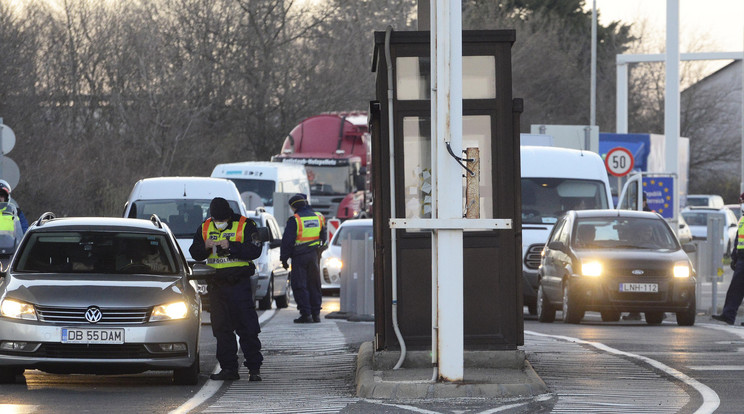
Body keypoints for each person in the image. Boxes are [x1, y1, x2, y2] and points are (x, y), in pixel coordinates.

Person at [189, 197, 264, 380]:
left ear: (229, 216)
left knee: (247, 327)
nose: (219, 223)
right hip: (217, 286)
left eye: (222, 220)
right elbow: (194, 252)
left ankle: (254, 368)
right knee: (221, 329)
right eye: (216, 220)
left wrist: (232, 246)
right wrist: (205, 247)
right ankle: (229, 369)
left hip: (239, 284)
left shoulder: (246, 225)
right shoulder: (205, 227)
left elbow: (255, 250)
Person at [280, 193, 327, 323]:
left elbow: (287, 242)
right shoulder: (319, 217)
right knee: (314, 284)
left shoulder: (295, 220)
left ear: (294, 207)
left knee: (300, 285)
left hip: (299, 256)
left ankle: (306, 314)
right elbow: (323, 237)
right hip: (313, 255)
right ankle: (316, 314)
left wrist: (284, 259)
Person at [712, 192, 744, 326]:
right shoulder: (742, 219)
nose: (741, 204)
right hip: (742, 257)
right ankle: (728, 315)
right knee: (735, 288)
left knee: (737, 287)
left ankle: (728, 314)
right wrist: (734, 258)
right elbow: (739, 239)